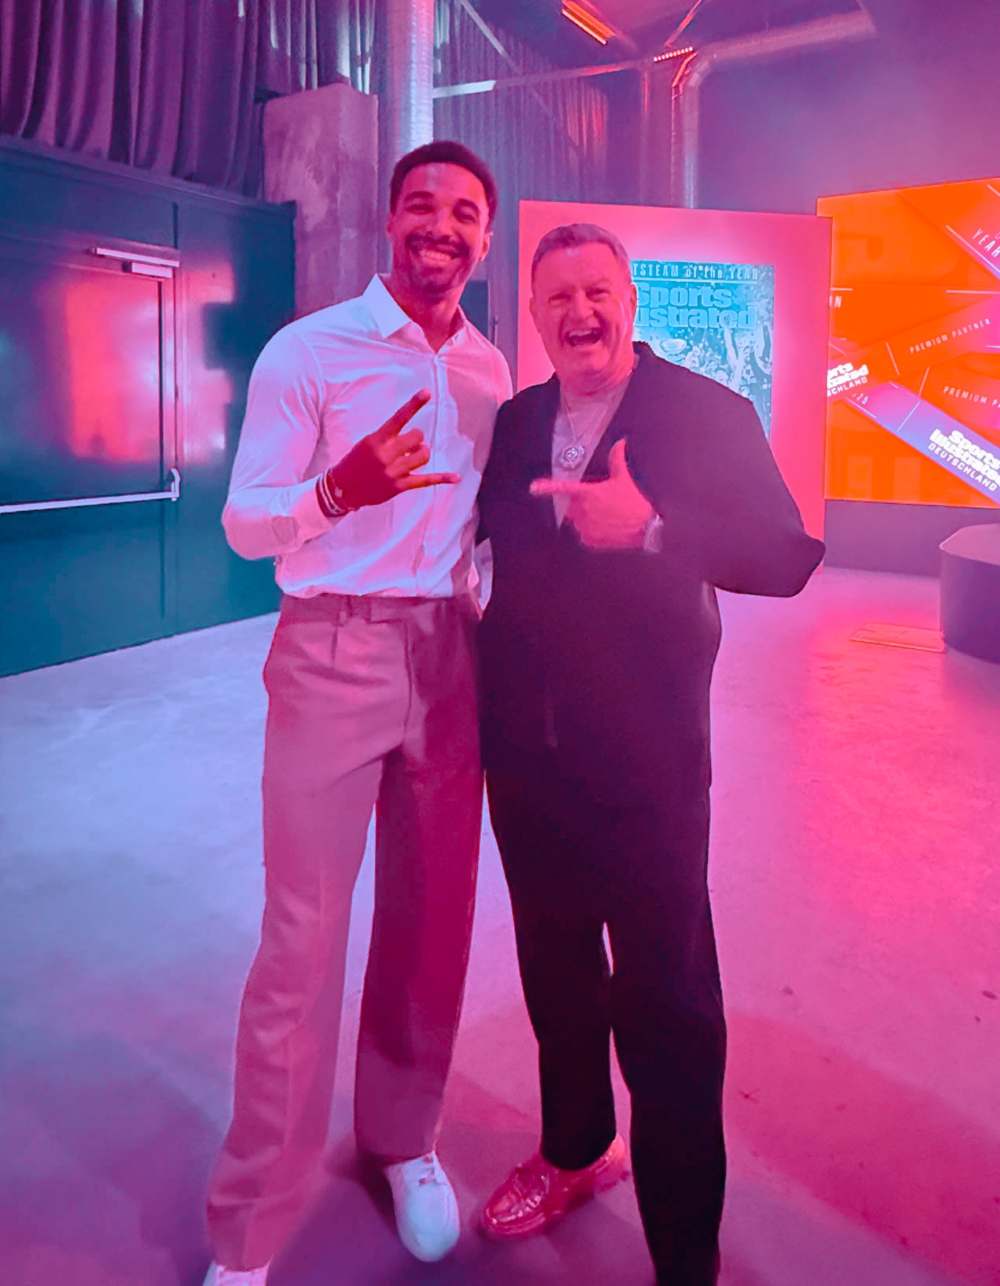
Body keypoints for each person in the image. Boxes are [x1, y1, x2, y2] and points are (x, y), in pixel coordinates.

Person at [475, 223, 824, 1285]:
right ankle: (577, 1149)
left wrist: (658, 528)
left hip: (648, 768)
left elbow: (786, 554)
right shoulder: (517, 420)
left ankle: (682, 1250)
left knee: (668, 1004)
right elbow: (490, 548)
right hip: (525, 762)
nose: (579, 313)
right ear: (533, 317)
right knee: (556, 972)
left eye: (597, 292)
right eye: (556, 298)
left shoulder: (703, 412)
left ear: (630, 303)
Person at [203, 141, 511, 1286]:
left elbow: (483, 526)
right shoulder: (310, 350)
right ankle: (249, 1224)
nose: (442, 226)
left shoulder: (488, 369)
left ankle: (403, 1137)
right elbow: (244, 522)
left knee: (433, 921)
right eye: (423, 204)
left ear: (485, 239)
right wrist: (340, 491)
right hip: (330, 648)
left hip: (448, 653)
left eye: (465, 212)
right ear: (390, 220)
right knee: (301, 938)